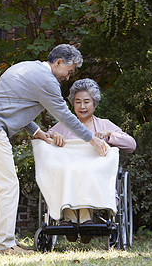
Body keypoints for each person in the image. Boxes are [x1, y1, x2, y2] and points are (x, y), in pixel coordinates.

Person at [0, 44, 107, 254]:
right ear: (59, 62)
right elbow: (64, 115)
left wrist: (36, 132)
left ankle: (4, 244)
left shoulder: (27, 68)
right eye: (69, 71)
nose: (68, 77)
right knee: (7, 186)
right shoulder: (46, 80)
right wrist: (91, 139)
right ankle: (6, 246)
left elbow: (14, 104)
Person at [46, 78, 136, 243]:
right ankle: (71, 221)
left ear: (95, 104)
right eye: (77, 102)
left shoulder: (103, 124)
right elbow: (45, 138)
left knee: (84, 171)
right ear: (72, 104)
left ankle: (84, 221)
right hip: (68, 177)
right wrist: (53, 135)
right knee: (71, 172)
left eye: (86, 102)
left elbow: (131, 144)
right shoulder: (64, 125)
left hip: (96, 179)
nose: (82, 106)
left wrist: (110, 135)